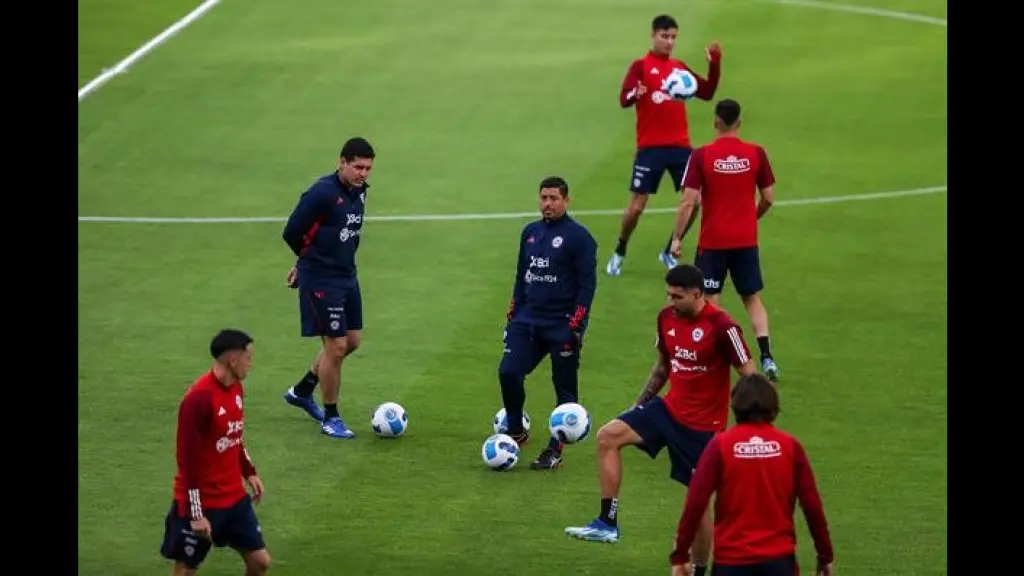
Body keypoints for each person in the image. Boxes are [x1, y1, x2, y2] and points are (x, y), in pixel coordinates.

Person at [566, 264, 756, 576]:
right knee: (608, 436)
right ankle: (607, 523)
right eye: (668, 295)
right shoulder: (666, 318)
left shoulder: (723, 326)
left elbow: (750, 378)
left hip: (702, 430)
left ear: (698, 295)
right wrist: (637, 406)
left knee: (697, 506)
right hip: (667, 410)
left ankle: (698, 569)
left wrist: (748, 428)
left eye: (678, 297)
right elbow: (662, 368)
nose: (671, 302)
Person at [669, 374, 835, 576]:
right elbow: (812, 506)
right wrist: (825, 556)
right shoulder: (790, 446)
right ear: (773, 408)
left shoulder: (720, 445)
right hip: (779, 563)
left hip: (731, 563)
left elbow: (696, 502)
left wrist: (680, 557)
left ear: (736, 405)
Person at [669, 99, 780, 381]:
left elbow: (688, 202)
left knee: (709, 302)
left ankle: (715, 357)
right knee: (752, 298)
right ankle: (766, 356)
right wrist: (751, 218)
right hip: (745, 240)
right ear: (739, 123)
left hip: (713, 242)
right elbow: (768, 198)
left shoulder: (702, 155)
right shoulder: (756, 153)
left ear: (715, 122)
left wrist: (677, 237)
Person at [605, 14, 722, 278]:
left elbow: (706, 92)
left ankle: (670, 249)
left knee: (697, 200)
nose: (669, 42)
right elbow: (624, 99)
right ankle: (620, 250)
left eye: (673, 38)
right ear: (653, 35)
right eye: (665, 36)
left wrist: (714, 65)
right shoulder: (641, 66)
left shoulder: (679, 68)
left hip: (681, 146)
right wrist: (638, 93)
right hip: (650, 148)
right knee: (636, 206)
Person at [499, 175, 598, 470]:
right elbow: (522, 275)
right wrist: (514, 312)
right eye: (543, 198)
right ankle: (515, 430)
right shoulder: (529, 232)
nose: (547, 204)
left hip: (561, 324)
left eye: (554, 198)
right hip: (527, 320)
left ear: (566, 201)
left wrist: (576, 325)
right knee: (508, 372)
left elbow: (587, 285)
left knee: (564, 391)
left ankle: (555, 449)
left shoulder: (580, 238)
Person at [280, 137, 376, 438]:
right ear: (342, 162)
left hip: (347, 276)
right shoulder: (321, 193)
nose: (363, 174)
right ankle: (331, 417)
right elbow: (292, 231)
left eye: (368, 168)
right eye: (358, 167)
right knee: (335, 346)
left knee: (352, 341)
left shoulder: (360, 193)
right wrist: (305, 263)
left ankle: (303, 390)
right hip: (321, 279)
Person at [159, 329, 271, 575]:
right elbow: (187, 460)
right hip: (202, 502)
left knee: (260, 562)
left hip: (233, 499)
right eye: (247, 357)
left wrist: (248, 471)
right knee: (186, 569)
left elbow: (234, 435)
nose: (250, 364)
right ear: (232, 359)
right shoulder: (198, 399)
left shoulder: (236, 388)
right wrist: (196, 513)